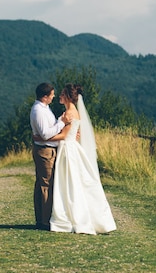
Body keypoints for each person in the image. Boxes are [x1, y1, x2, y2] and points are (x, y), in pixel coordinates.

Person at [50, 83, 117, 234]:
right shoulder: (72, 111)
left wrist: (43, 137)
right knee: (75, 182)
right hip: (71, 147)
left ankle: (74, 216)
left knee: (70, 183)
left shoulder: (69, 113)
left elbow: (65, 135)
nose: (59, 96)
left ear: (67, 96)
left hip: (68, 149)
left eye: (62, 94)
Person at [30, 82, 70, 231]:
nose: (54, 97)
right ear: (45, 96)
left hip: (48, 149)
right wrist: (61, 123)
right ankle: (44, 221)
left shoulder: (44, 109)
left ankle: (42, 218)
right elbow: (45, 134)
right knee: (46, 184)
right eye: (52, 94)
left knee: (43, 183)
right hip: (44, 151)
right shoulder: (38, 111)